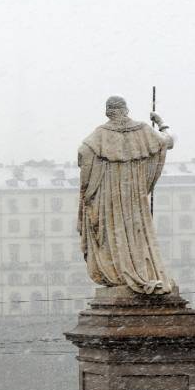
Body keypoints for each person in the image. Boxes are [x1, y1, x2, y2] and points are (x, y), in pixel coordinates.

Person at [77, 96, 175, 295]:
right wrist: (161, 123)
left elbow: (83, 153)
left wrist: (88, 189)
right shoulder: (143, 131)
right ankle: (143, 272)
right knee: (137, 233)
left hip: (110, 199)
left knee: (115, 235)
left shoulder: (100, 135)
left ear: (108, 112)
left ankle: (120, 272)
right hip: (134, 197)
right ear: (126, 110)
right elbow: (169, 141)